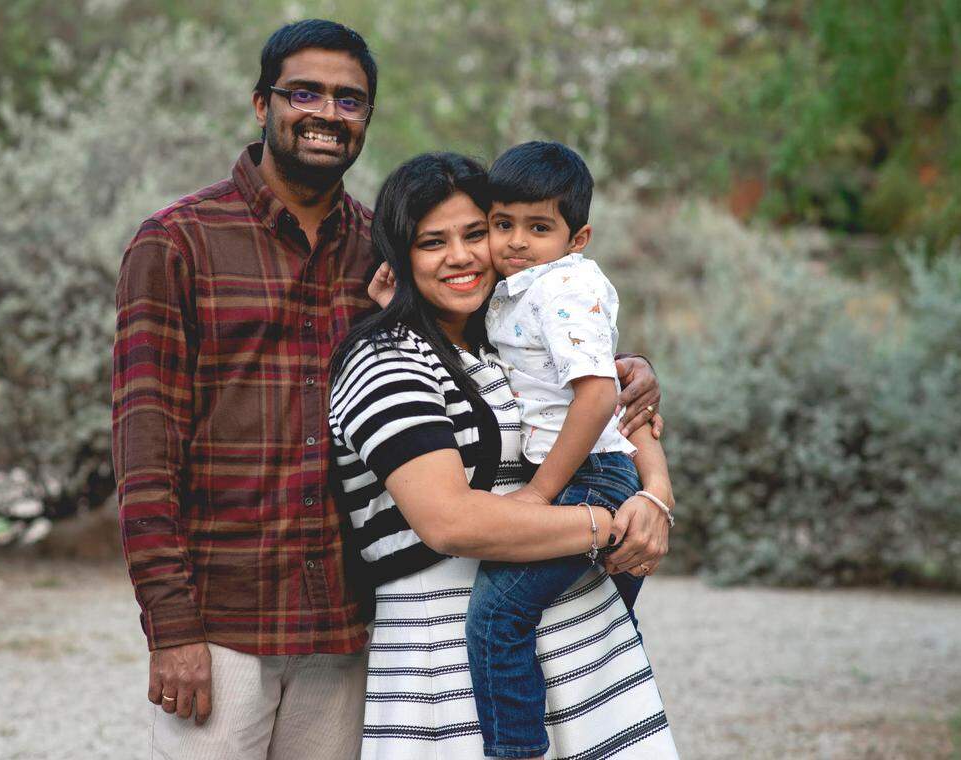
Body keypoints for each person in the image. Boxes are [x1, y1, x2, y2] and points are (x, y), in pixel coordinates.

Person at [328, 152, 679, 759]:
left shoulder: (499, 343)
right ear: (399, 254)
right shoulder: (385, 360)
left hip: (580, 648)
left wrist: (656, 494)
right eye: (432, 242)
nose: (462, 256)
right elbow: (449, 522)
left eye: (474, 233)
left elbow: (609, 408)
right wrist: (608, 526)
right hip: (446, 660)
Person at [112, 20, 379, 759]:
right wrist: (171, 628)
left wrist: (618, 366)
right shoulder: (177, 242)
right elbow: (145, 452)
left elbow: (492, 336)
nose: (328, 114)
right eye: (305, 93)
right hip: (221, 625)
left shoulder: (382, 249)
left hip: (346, 625)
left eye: (350, 100)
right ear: (263, 104)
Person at [463, 141, 675, 758]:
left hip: (588, 474)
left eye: (538, 228)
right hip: (592, 471)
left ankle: (517, 751)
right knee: (602, 632)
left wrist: (539, 493)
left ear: (577, 238)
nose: (515, 242)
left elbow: (597, 394)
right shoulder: (520, 285)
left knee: (498, 617)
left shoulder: (562, 286)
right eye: (502, 224)